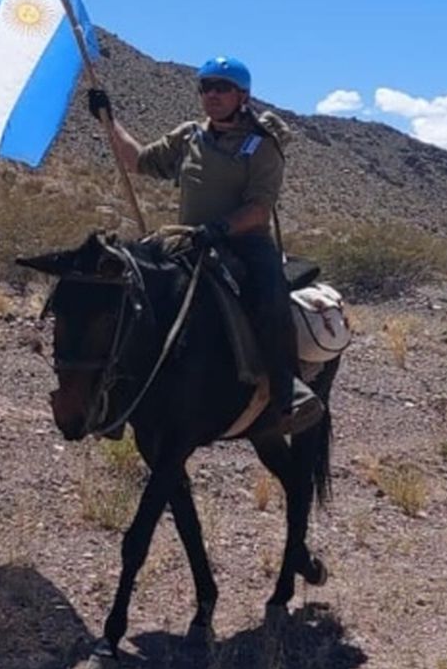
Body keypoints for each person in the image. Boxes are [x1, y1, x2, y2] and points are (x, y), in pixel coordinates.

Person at [88, 56, 321, 436]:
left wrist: (219, 228)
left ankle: (287, 387)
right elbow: (139, 161)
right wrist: (108, 120)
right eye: (206, 87)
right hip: (188, 238)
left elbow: (259, 209)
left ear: (242, 95)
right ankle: (116, 395)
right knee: (131, 286)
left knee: (269, 295)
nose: (212, 94)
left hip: (245, 243)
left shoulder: (262, 145)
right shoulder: (189, 135)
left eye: (222, 87)